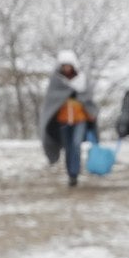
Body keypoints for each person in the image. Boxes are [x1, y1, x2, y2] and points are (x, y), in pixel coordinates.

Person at [39, 50, 98, 188]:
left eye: (69, 65)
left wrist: (78, 98)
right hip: (63, 120)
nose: (66, 68)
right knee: (68, 147)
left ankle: (75, 171)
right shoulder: (56, 81)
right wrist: (66, 96)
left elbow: (88, 98)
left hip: (80, 119)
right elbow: (51, 100)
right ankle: (71, 175)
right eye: (64, 66)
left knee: (76, 144)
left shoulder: (82, 80)